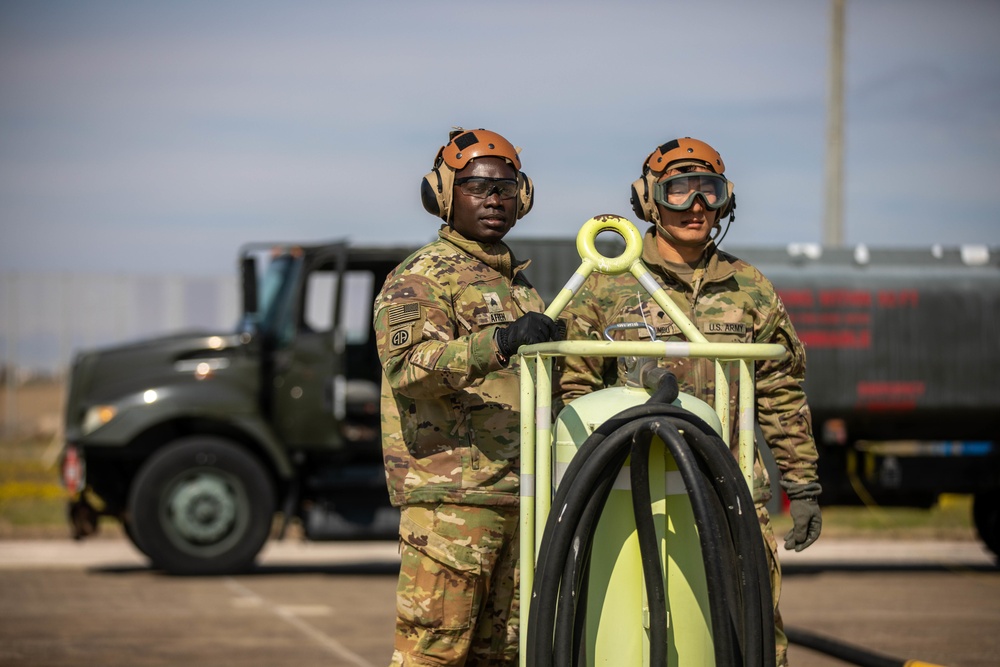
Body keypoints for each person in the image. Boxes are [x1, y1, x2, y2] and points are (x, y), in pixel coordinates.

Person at [554, 137, 822, 667]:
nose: (696, 206)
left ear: (726, 200)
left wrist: (803, 483)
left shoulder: (750, 289)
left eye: (709, 191)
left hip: (733, 493)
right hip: (636, 497)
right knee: (639, 634)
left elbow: (780, 393)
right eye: (679, 191)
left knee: (750, 637)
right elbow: (574, 393)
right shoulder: (610, 287)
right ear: (650, 199)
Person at [375, 128, 557, 667]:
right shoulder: (421, 279)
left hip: (518, 497)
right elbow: (408, 369)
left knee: (505, 655)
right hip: (453, 503)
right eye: (478, 187)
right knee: (434, 654)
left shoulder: (519, 287)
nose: (495, 199)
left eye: (506, 187)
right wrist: (498, 342)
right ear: (443, 194)